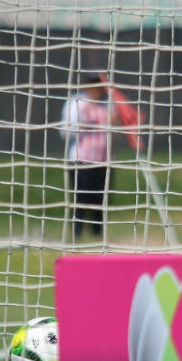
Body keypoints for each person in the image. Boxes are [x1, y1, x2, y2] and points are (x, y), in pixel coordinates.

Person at [60, 73, 115, 239]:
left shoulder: (108, 104)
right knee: (81, 198)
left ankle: (98, 235)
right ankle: (77, 234)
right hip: (81, 159)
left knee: (100, 200)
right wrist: (84, 124)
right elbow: (65, 131)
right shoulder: (77, 103)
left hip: (104, 159)